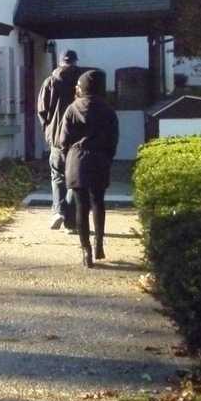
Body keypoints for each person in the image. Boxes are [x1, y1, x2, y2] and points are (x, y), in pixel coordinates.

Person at [59, 70, 119, 268]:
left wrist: (68, 156)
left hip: (77, 161)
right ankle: (99, 243)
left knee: (81, 207)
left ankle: (86, 251)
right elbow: (113, 140)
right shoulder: (108, 110)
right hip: (99, 159)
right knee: (98, 203)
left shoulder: (72, 109)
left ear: (82, 87)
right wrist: (107, 157)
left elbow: (63, 141)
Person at [37, 50, 84, 230]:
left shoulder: (49, 82)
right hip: (78, 139)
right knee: (74, 179)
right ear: (75, 61)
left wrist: (49, 131)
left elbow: (42, 111)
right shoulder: (81, 83)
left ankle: (58, 211)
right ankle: (71, 222)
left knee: (57, 176)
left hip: (57, 139)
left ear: (60, 62)